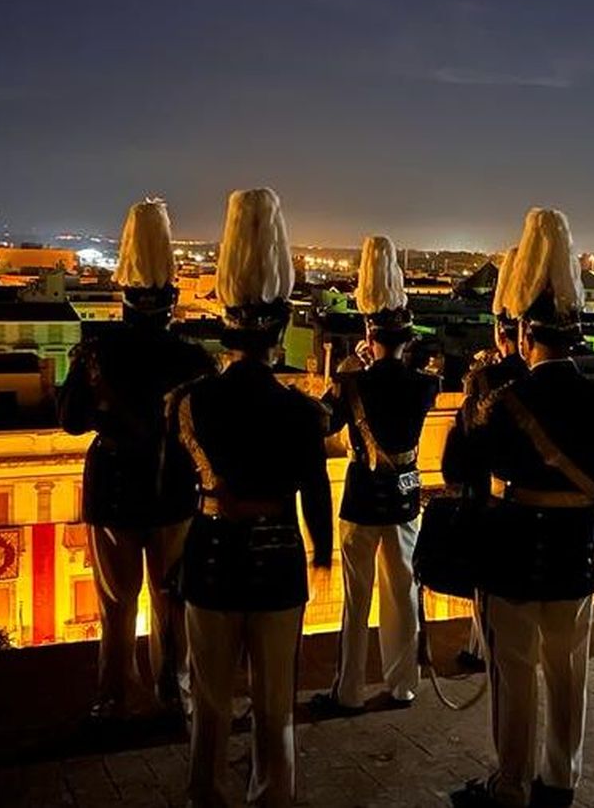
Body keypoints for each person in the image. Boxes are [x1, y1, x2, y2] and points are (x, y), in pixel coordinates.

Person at [451, 208, 594, 808]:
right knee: (568, 672)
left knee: (514, 676)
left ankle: (510, 783)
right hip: (574, 553)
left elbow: (458, 470)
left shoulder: (501, 399)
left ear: (525, 333)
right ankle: (562, 777)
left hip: (512, 554)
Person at [167, 188, 333, 808]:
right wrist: (319, 547)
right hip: (277, 555)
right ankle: (273, 794)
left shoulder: (190, 402)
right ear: (282, 332)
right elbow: (314, 486)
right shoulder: (297, 410)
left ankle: (205, 792)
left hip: (210, 553)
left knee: (210, 696)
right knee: (274, 699)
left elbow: (178, 482)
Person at [58, 198, 216, 720]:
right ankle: (175, 692)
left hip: (114, 489)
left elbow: (71, 420)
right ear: (172, 299)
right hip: (171, 488)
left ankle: (115, 696)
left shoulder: (97, 349)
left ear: (124, 295)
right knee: (171, 601)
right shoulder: (193, 358)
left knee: (116, 604)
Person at [310, 236, 440, 715]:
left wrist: (345, 372)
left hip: (363, 496)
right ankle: (403, 683)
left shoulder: (351, 383)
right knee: (402, 591)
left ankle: (347, 690)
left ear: (369, 330)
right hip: (405, 496)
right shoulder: (426, 385)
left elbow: (325, 422)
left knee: (356, 597)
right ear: (407, 338)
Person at [442, 246, 528, 671]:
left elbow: (454, 463)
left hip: (493, 513)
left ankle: (477, 647)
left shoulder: (484, 383)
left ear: (504, 333)